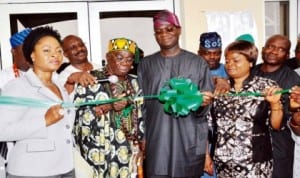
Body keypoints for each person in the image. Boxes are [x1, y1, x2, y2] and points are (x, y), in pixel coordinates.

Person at [137, 10, 214, 178]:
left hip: (188, 141)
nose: (164, 34)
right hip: (157, 141)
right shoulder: (146, 64)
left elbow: (204, 114)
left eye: (169, 29)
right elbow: (141, 107)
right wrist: (143, 138)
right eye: (158, 31)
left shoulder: (197, 63)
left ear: (179, 30)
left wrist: (203, 104)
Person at [0, 26, 75, 177]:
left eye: (59, 50)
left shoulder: (59, 86)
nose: (55, 55)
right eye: (47, 50)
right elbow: (2, 131)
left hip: (65, 167)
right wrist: (44, 120)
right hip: (32, 170)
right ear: (32, 55)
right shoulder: (18, 86)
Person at [209, 40, 283, 177]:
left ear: (250, 62)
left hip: (255, 164)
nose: (230, 65)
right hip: (223, 162)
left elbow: (276, 126)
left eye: (236, 60)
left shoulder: (266, 86)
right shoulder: (220, 89)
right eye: (227, 60)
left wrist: (274, 104)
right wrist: (207, 155)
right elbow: (210, 126)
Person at [73, 37, 144, 177]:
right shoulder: (91, 80)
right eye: (119, 58)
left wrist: (141, 144)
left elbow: (142, 117)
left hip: (128, 153)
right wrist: (108, 106)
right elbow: (78, 120)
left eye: (129, 59)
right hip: (99, 154)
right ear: (108, 57)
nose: (125, 63)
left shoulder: (136, 83)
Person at [251, 34, 300, 178]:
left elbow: (292, 117)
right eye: (271, 47)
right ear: (263, 49)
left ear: (286, 55)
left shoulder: (293, 79)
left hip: (278, 147)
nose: (274, 51)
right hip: (250, 147)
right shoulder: (251, 73)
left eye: (280, 49)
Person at [0, 28, 32, 178]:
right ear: (13, 52)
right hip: (15, 152)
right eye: (23, 49)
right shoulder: (3, 77)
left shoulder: (48, 75)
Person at [198, 31, 227, 178]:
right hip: (200, 135)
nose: (212, 57)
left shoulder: (229, 69)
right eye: (207, 53)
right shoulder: (192, 69)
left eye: (217, 53)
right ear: (199, 52)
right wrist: (216, 79)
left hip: (225, 137)